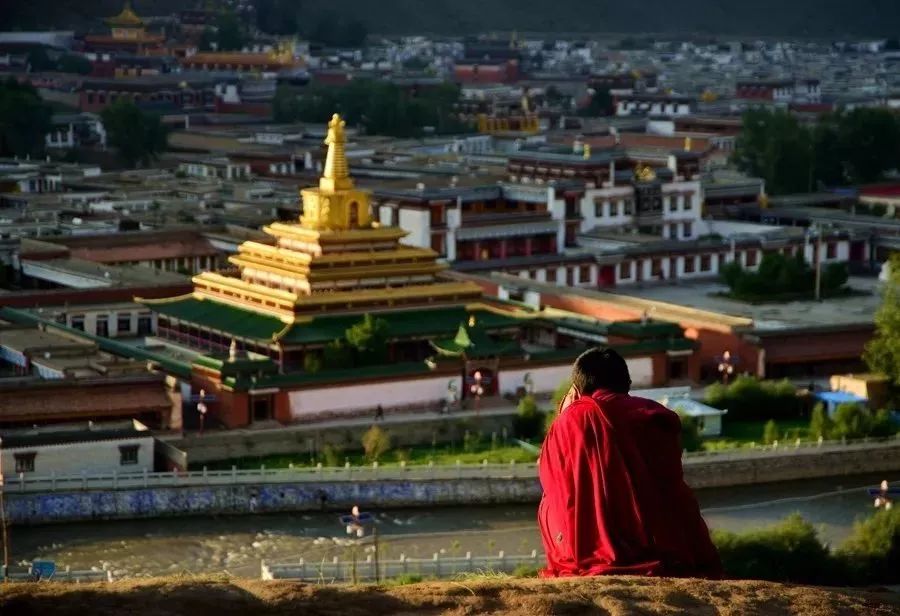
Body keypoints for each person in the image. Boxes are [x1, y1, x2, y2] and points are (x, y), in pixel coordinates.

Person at [539, 347, 722, 578]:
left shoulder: (573, 419)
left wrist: (563, 416)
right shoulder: (655, 415)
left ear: (577, 388)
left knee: (551, 499)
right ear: (627, 383)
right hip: (668, 544)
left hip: (592, 550)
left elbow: (552, 482)